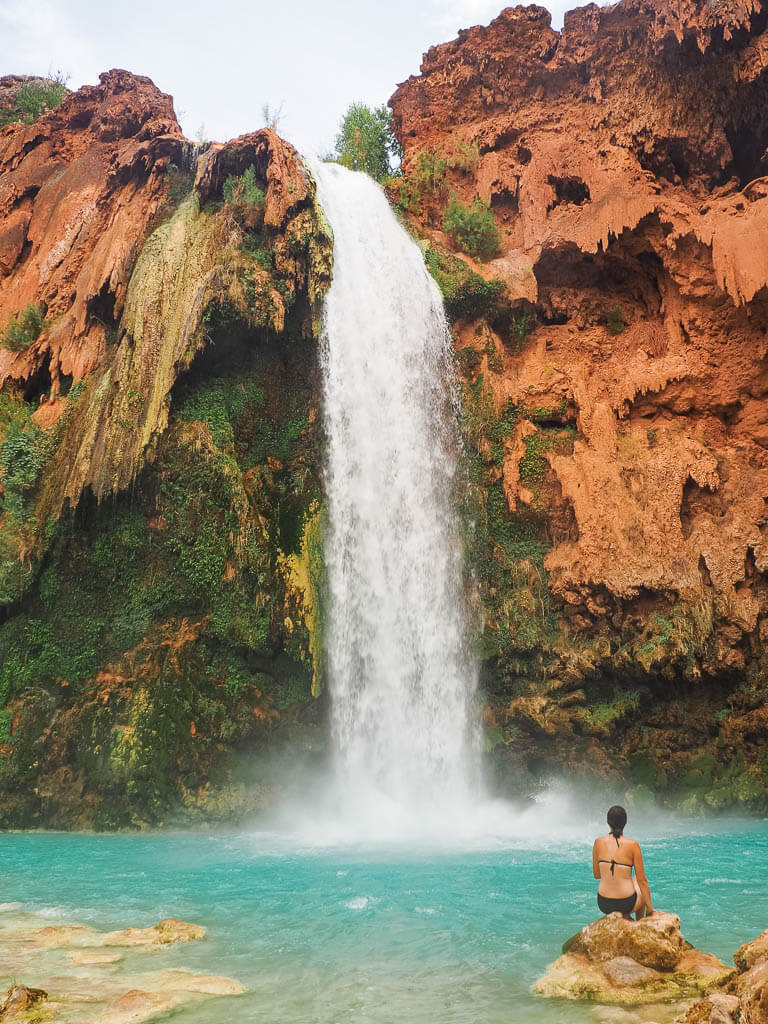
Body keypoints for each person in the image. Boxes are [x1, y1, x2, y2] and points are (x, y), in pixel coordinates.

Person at [592, 805, 654, 920]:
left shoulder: (597, 842)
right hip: (626, 904)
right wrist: (650, 909)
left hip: (604, 904)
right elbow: (643, 881)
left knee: (635, 881)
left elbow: (597, 875)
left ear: (608, 822)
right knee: (637, 881)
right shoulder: (633, 845)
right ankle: (639, 923)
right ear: (625, 823)